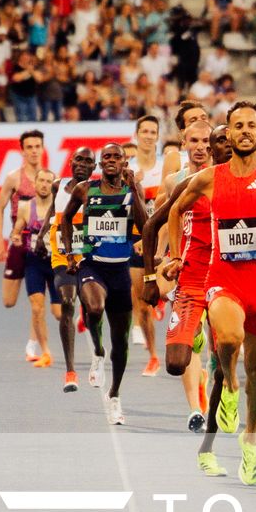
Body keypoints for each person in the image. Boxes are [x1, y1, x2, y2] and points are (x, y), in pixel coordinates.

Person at [162, 102, 256, 484]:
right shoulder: (210, 178)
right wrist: (175, 256)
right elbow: (175, 210)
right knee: (228, 337)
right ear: (227, 132)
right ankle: (228, 383)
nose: (244, 131)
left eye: (251, 126)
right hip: (223, 279)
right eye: (237, 125)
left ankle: (251, 438)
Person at [140, 120, 236, 463]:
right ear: (186, 143)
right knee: (176, 364)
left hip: (225, 281)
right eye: (194, 141)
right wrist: (156, 274)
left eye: (206, 144)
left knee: (226, 346)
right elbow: (158, 224)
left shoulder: (238, 184)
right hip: (191, 279)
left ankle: (224, 396)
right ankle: (194, 339)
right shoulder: (183, 184)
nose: (200, 148)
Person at [59, 144, 149, 426]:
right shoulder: (86, 189)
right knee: (95, 307)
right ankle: (97, 351)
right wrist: (71, 252)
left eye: (116, 157)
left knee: (120, 344)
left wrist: (134, 189)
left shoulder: (132, 190)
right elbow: (64, 219)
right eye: (106, 157)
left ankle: (114, 396)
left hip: (120, 270)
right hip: (91, 265)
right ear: (100, 163)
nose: (111, 161)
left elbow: (145, 226)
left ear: (124, 162)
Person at [0, 129, 58, 366]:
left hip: (44, 247)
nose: (34, 151)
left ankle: (33, 343)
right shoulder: (14, 177)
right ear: (22, 150)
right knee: (9, 301)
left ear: (42, 149)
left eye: (37, 146)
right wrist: (2, 238)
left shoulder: (51, 179)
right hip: (19, 241)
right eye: (29, 147)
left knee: (39, 304)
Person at [127, 112, 181, 375]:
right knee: (143, 300)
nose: (148, 136)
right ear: (136, 136)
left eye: (152, 132)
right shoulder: (127, 168)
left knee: (176, 299)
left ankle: (179, 347)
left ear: (158, 137)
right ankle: (153, 356)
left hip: (166, 239)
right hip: (137, 241)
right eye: (144, 131)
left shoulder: (167, 167)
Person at [45, 147, 97, 392]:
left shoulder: (96, 191)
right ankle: (70, 371)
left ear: (93, 168)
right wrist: (43, 231)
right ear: (71, 162)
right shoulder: (58, 185)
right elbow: (53, 211)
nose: (81, 164)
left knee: (93, 309)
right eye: (78, 159)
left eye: (87, 161)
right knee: (67, 302)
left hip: (88, 257)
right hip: (62, 256)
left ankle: (98, 353)